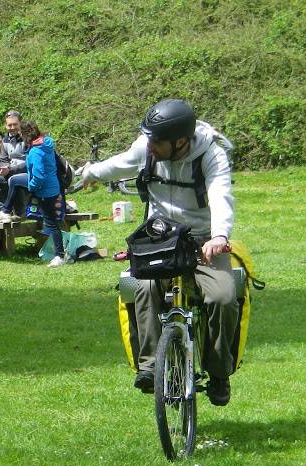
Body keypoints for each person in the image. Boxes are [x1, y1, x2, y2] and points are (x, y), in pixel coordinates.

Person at [81, 98, 236, 405]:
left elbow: (220, 194)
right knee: (143, 286)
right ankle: (151, 366)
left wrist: (219, 235)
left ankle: (219, 371)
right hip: (160, 237)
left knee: (223, 297)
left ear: (180, 141)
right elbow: (121, 162)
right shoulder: (150, 144)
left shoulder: (211, 154)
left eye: (157, 141)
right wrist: (90, 173)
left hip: (203, 240)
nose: (149, 146)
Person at [17, 120, 67, 267]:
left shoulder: (35, 151)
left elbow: (38, 175)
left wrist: (31, 187)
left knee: (51, 223)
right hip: (53, 187)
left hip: (44, 190)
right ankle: (57, 253)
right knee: (52, 222)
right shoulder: (46, 144)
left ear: (26, 134)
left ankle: (59, 255)